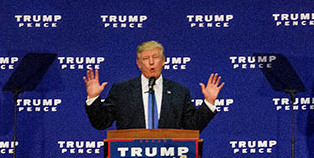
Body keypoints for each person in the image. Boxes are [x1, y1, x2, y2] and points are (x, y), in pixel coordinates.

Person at [84, 40, 224, 131]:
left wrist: (209, 103)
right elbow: (101, 123)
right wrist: (93, 98)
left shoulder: (179, 92)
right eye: (145, 58)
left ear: (163, 61)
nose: (151, 62)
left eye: (155, 57)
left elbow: (192, 127)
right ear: (139, 64)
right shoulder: (122, 91)